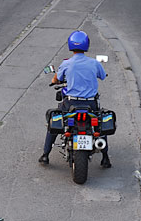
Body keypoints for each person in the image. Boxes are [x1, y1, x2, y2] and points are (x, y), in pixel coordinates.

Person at [38, 30, 112, 168]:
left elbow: (57, 78)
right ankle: (105, 157)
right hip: (91, 103)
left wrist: (54, 80)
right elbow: (102, 76)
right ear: (87, 45)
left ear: (70, 45)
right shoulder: (94, 63)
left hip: (71, 102)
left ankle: (45, 155)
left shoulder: (67, 63)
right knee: (99, 125)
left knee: (54, 121)